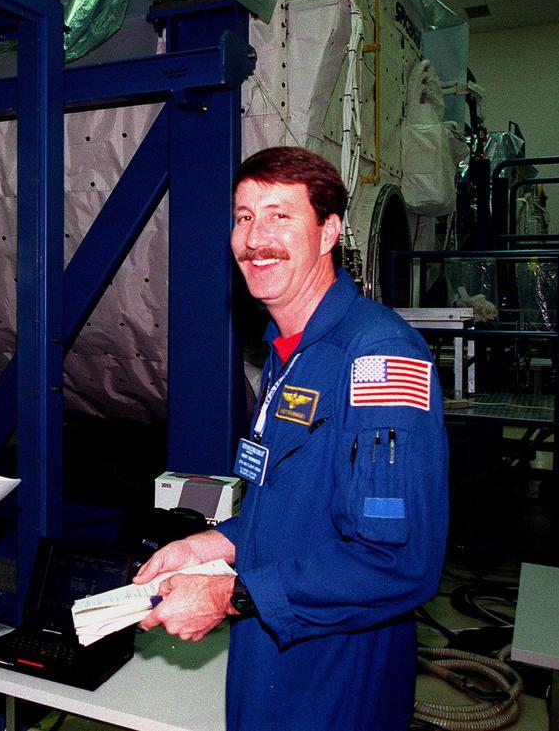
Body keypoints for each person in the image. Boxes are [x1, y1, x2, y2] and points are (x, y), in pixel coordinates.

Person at [135, 147, 449, 731]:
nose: (257, 238)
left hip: (335, 666)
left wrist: (231, 597)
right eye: (244, 216)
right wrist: (211, 546)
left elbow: (397, 560)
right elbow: (287, 509)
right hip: (271, 651)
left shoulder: (376, 357)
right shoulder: (288, 354)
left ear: (329, 231)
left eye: (281, 215)